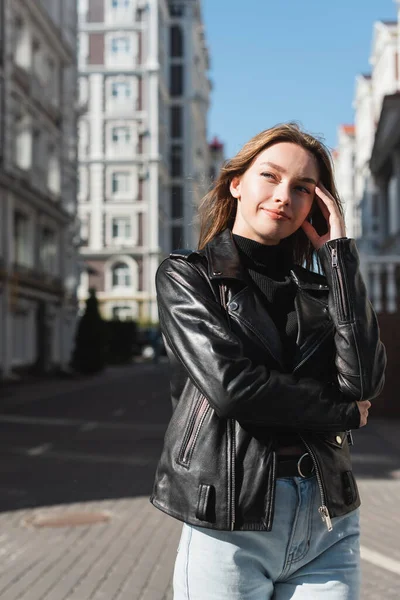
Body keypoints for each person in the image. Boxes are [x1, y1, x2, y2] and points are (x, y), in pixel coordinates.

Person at [150, 123, 386, 599]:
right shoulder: (188, 277)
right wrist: (340, 412)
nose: (284, 196)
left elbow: (362, 379)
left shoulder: (322, 290)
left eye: (302, 188)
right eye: (270, 177)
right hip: (230, 518)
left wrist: (339, 259)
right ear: (236, 183)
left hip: (327, 520)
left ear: (316, 207)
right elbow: (233, 387)